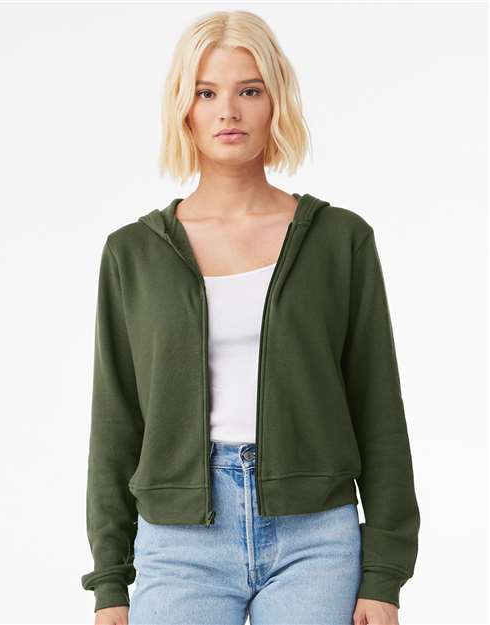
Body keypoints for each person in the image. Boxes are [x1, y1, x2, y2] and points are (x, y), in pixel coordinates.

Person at [81, 9, 420, 625]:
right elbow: (116, 420)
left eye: (249, 91)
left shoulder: (340, 240)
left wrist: (384, 573)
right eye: (206, 93)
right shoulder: (132, 253)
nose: (228, 112)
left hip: (315, 539)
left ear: (275, 103)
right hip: (179, 543)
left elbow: (377, 407)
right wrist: (110, 585)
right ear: (184, 108)